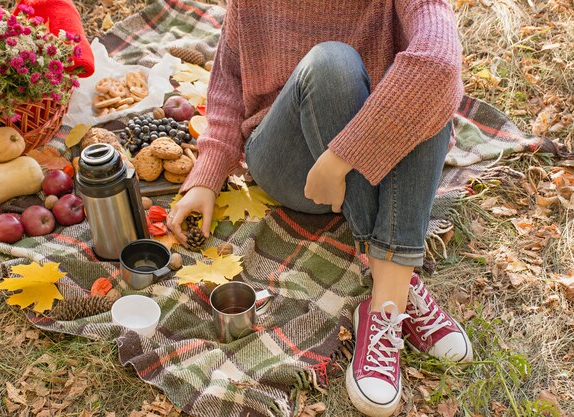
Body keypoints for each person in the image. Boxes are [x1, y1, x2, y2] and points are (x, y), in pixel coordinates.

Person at [167, 1, 473, 415]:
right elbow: (228, 76)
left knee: (429, 87)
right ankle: (397, 273)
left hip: (367, 157)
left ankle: (388, 299)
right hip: (290, 162)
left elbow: (439, 63)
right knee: (332, 62)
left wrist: (343, 156)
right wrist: (208, 173)